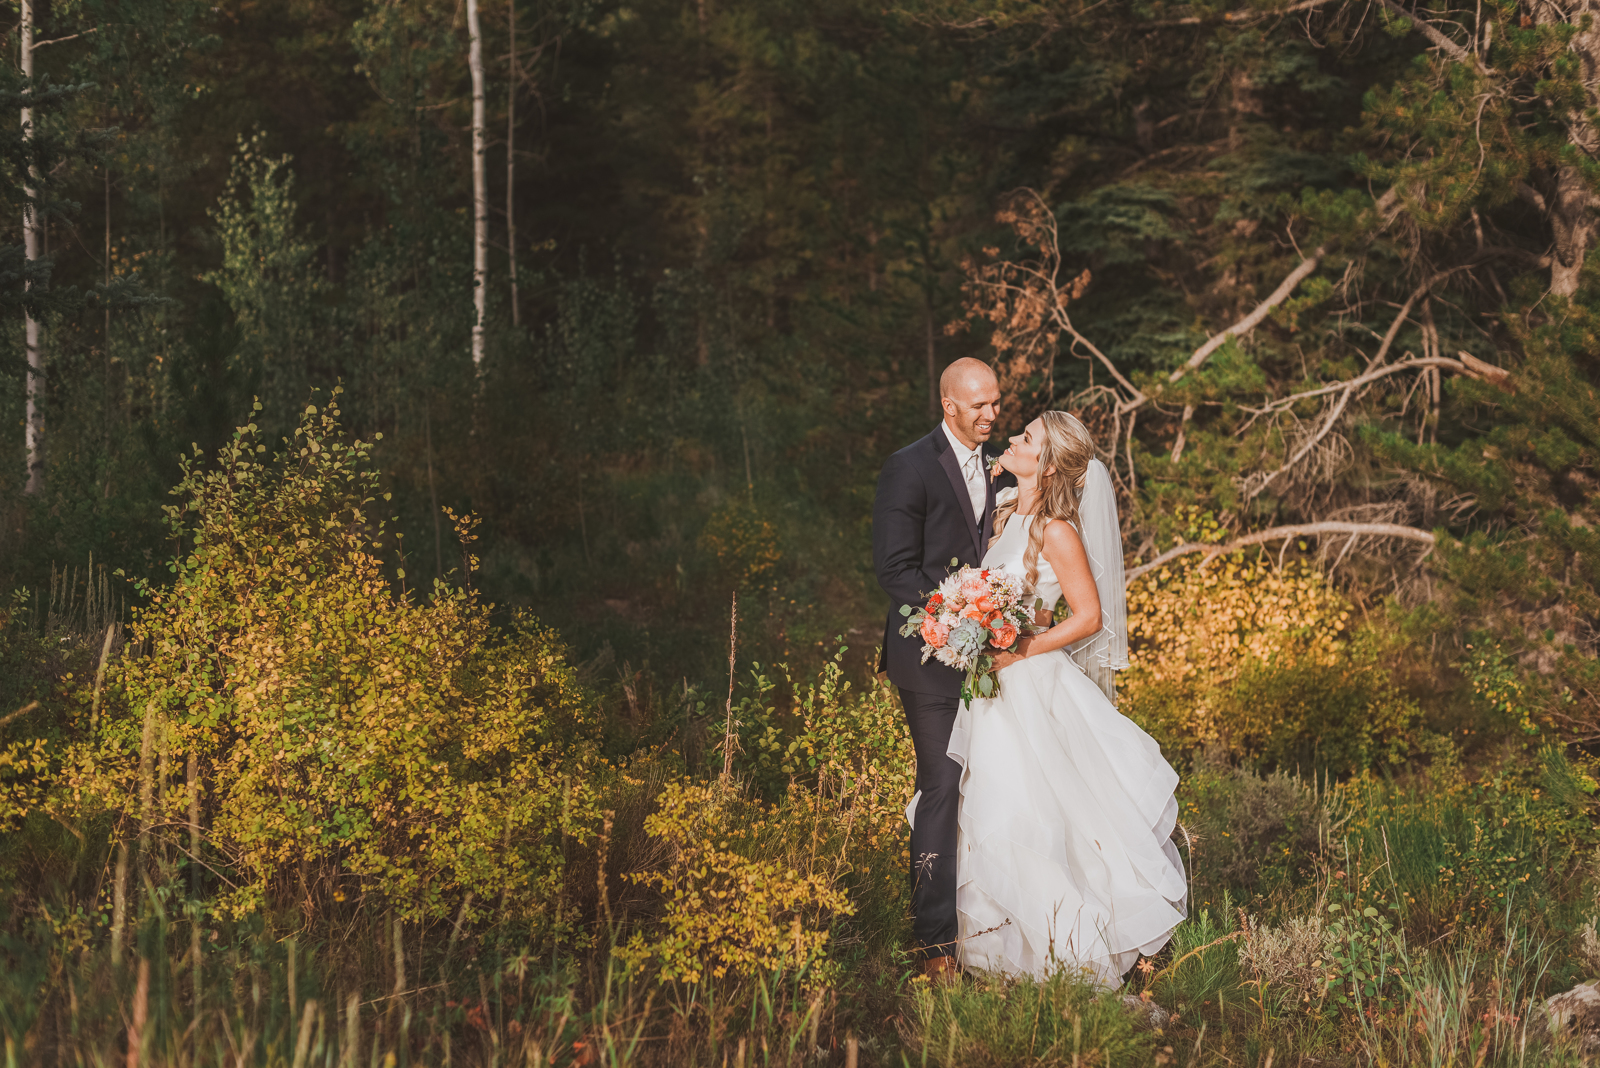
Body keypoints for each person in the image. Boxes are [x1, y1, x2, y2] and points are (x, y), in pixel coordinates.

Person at [950, 410, 1186, 984]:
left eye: (1026, 437)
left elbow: (1088, 616)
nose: (1011, 438)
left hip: (1029, 685)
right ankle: (996, 949)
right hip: (990, 688)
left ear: (1049, 462)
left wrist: (1022, 646)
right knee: (991, 807)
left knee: (1029, 813)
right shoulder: (1005, 513)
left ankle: (1066, 949)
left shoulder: (1057, 530)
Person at [872, 357, 1015, 982]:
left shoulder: (998, 465)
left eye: (995, 402)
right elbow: (894, 569)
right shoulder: (908, 466)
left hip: (989, 661)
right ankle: (933, 947)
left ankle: (996, 925)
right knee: (940, 787)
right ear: (949, 405)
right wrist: (957, 610)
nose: (991, 414)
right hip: (928, 660)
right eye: (978, 405)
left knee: (992, 787)